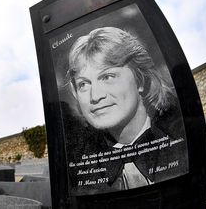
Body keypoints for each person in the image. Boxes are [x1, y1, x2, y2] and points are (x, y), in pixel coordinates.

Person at [66, 27, 187, 191]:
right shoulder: (77, 172)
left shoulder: (182, 142)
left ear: (141, 80)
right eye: (84, 84)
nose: (95, 96)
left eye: (107, 77)